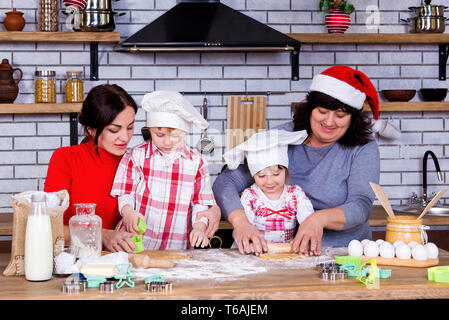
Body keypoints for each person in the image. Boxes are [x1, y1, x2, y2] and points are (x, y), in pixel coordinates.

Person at [213, 65, 381, 256]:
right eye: (322, 111)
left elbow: (361, 205)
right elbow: (225, 182)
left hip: (345, 253)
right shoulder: (281, 138)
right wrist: (241, 223)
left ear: (353, 118)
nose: (329, 121)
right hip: (284, 254)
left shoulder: (363, 147)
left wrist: (318, 219)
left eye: (340, 115)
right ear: (310, 109)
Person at [44, 85, 221, 253]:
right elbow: (48, 226)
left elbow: (185, 194)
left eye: (130, 127)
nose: (125, 137)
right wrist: (103, 235)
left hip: (127, 261)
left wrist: (213, 210)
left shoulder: (137, 161)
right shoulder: (66, 158)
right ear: (91, 129)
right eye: (115, 130)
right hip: (75, 259)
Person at [110, 91, 217, 250]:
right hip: (137, 241)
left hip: (176, 244)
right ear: (150, 129)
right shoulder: (136, 155)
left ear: (185, 131)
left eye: (175, 135)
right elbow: (125, 192)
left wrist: (199, 227)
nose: (167, 142)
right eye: (159, 134)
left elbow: (200, 203)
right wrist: (127, 212)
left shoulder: (197, 163)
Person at [223, 129, 314, 246]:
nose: (269, 181)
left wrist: (309, 229)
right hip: (252, 252)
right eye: (261, 176)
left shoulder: (295, 194)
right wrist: (247, 241)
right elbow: (243, 227)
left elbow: (307, 218)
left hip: (283, 254)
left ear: (285, 170)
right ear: (253, 175)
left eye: (276, 174)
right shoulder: (250, 196)